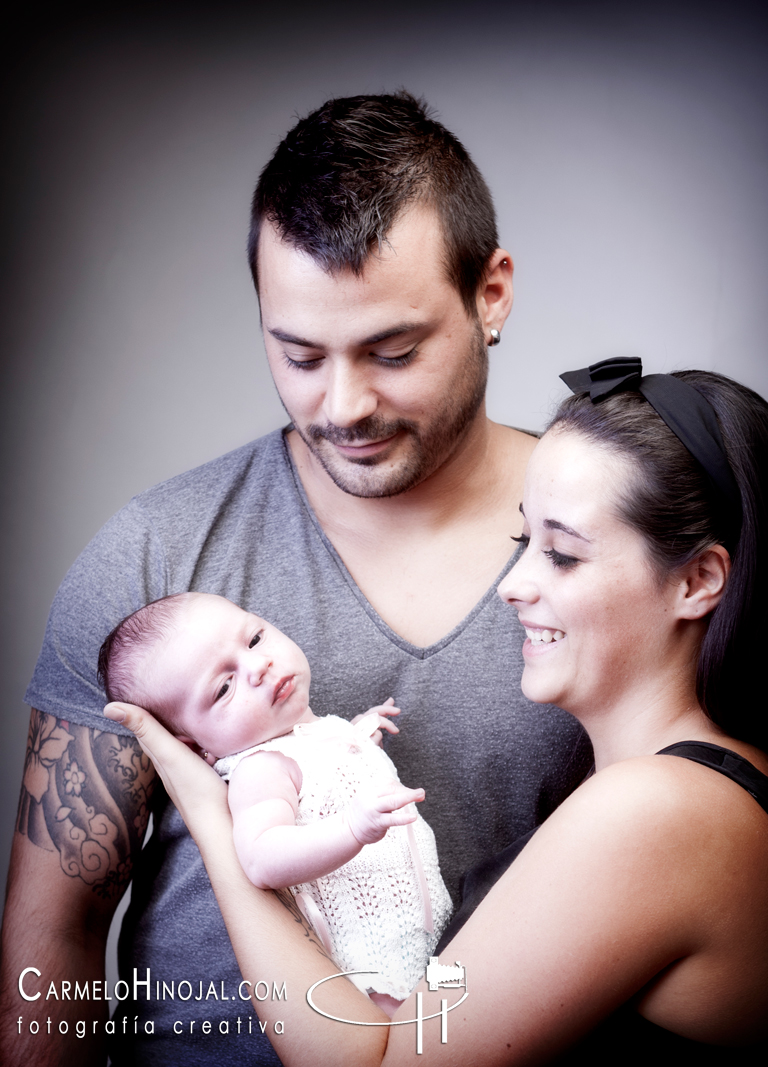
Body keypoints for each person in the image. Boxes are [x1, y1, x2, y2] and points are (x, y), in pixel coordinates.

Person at [0, 93, 592, 1066]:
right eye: (299, 354)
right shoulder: (153, 558)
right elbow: (55, 936)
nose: (344, 403)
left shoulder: (603, 551)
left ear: (491, 294)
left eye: (392, 351)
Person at [106, 361, 768, 1064]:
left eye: (561, 555)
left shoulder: (657, 811)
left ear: (698, 580)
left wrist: (213, 820)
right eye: (522, 542)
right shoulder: (699, 786)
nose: (515, 585)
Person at [97, 591, 453, 1011]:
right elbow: (262, 857)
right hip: (368, 955)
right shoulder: (260, 770)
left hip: (425, 927)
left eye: (254, 640)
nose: (259, 666)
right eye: (224, 687)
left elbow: (327, 774)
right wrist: (352, 828)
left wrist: (359, 734)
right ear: (193, 745)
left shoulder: (315, 734)